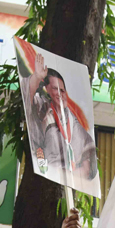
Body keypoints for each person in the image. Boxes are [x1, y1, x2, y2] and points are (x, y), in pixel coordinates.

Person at [24, 57, 97, 190]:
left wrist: (70, 176)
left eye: (62, 90)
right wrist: (36, 77)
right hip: (44, 179)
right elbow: (27, 99)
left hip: (65, 183)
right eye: (55, 89)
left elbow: (90, 162)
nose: (59, 94)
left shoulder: (73, 121)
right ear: (46, 89)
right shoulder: (42, 108)